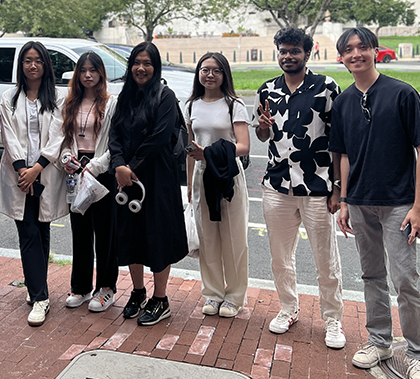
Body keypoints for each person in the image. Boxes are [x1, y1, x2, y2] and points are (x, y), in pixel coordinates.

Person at [330, 27, 420, 379]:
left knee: (405, 279)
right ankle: (379, 341)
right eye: (348, 50)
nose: (356, 54)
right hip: (359, 203)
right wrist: (344, 200)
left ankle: (419, 355)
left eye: (362, 47)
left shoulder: (402, 94)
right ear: (340, 57)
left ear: (375, 50)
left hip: (399, 204)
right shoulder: (343, 102)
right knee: (371, 276)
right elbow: (342, 155)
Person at [254, 28, 345, 349]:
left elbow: (339, 141)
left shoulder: (326, 88)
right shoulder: (268, 90)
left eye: (294, 51)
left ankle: (332, 318)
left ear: (308, 53)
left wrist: (338, 190)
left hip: (317, 186)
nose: (287, 56)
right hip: (277, 185)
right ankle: (288, 308)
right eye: (283, 50)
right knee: (280, 257)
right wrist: (262, 129)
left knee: (326, 259)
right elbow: (264, 137)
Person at [108, 41, 188, 326]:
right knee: (131, 235)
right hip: (126, 178)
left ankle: (161, 298)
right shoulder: (124, 97)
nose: (141, 68)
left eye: (147, 63)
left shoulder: (165, 96)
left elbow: (158, 138)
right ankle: (138, 292)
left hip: (157, 179)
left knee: (158, 235)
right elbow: (114, 134)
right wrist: (118, 164)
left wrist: (130, 167)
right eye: (136, 63)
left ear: (156, 67)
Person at [0, 41, 66, 327]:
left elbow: (59, 135)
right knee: (27, 232)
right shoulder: (9, 97)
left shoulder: (58, 98)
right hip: (19, 175)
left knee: (42, 227)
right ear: (21, 65)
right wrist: (22, 170)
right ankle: (40, 297)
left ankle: (37, 287)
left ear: (45, 65)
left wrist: (37, 168)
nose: (33, 65)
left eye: (38, 60)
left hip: (45, 172)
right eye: (27, 60)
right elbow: (8, 136)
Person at [185, 52, 250, 319]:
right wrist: (190, 183)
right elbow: (190, 148)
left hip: (228, 175)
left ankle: (234, 296)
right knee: (208, 238)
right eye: (205, 70)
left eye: (216, 70)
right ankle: (212, 293)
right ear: (198, 73)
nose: (210, 75)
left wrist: (209, 154)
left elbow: (244, 146)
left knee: (235, 238)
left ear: (225, 74)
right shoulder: (190, 105)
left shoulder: (234, 104)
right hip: (202, 176)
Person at [60, 52, 119, 312]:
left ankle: (106, 288)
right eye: (83, 70)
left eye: (93, 70)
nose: (87, 75)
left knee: (105, 232)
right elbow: (62, 137)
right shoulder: (69, 102)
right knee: (80, 230)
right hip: (76, 171)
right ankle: (81, 287)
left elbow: (116, 143)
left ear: (101, 73)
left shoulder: (111, 103)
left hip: (101, 170)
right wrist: (66, 158)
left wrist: (95, 166)